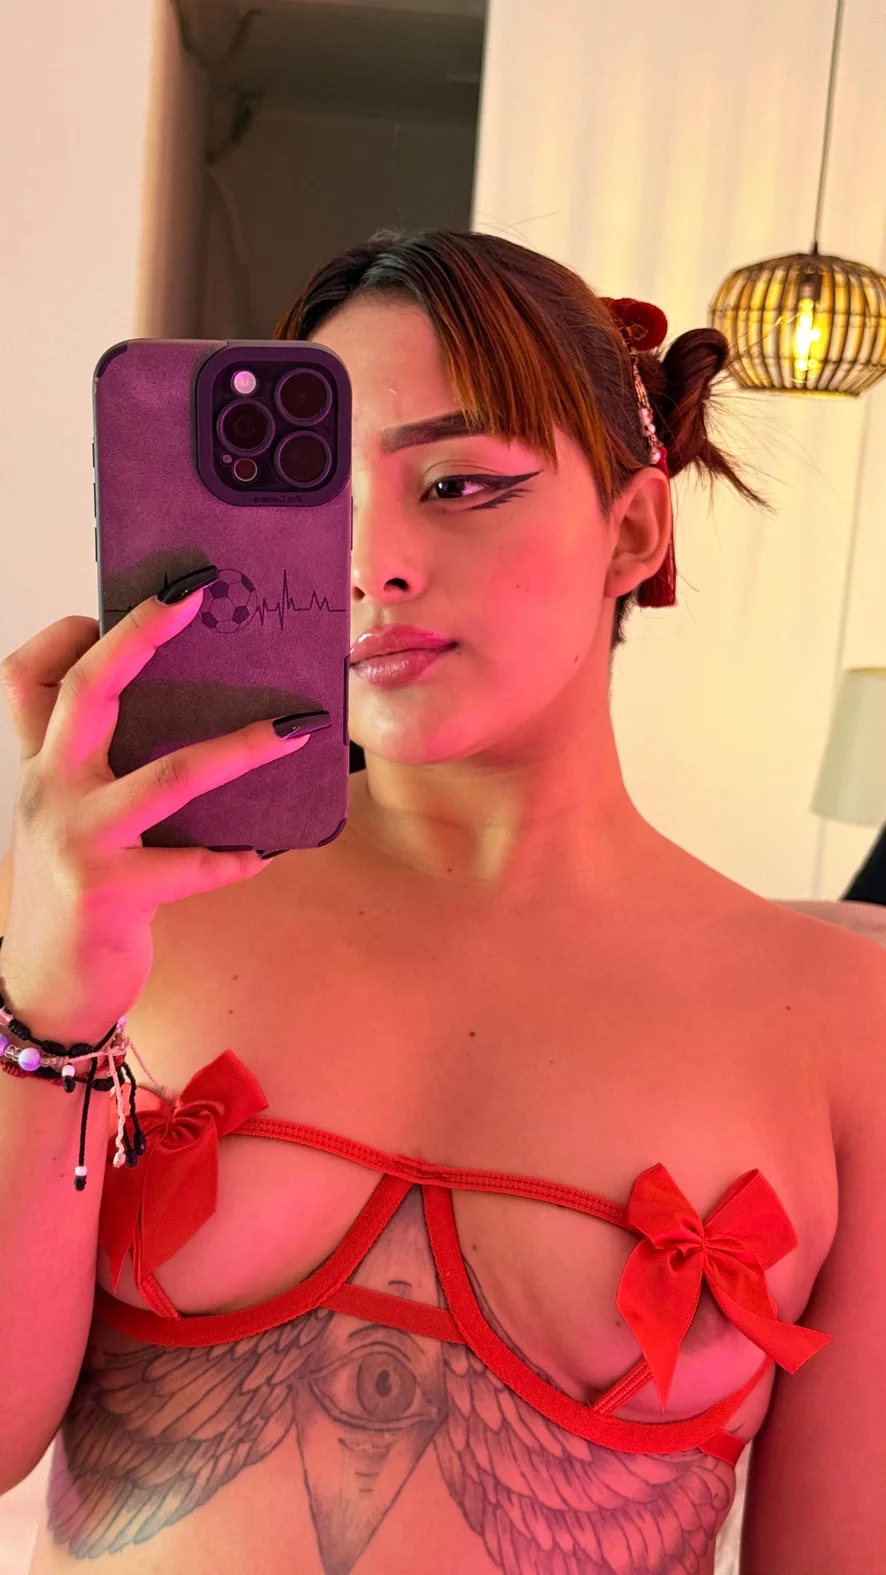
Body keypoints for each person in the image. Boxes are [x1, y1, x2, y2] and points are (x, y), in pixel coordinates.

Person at [1, 228, 884, 1575]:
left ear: (634, 530)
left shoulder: (843, 1024)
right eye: (320, 502)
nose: (374, 563)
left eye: (461, 483)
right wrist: (49, 1004)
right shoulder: (126, 905)